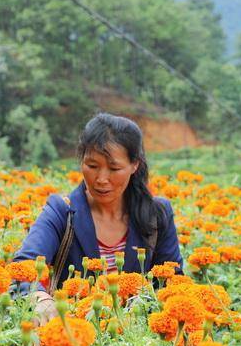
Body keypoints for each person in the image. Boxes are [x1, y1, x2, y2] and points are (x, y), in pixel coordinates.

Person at [13, 112, 184, 325]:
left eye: (114, 168)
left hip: (136, 339)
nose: (101, 179)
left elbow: (173, 281)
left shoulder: (156, 215)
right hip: (74, 338)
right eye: (92, 166)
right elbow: (23, 266)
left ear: (134, 165)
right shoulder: (61, 211)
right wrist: (39, 299)